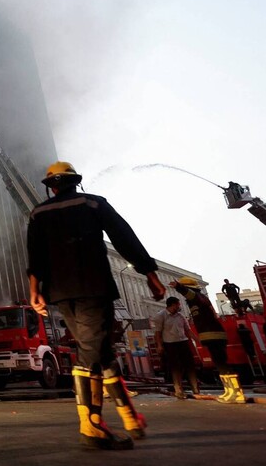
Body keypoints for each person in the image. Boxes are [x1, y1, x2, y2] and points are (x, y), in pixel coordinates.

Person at [27, 161, 166, 451]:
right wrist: (150, 274)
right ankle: (90, 426)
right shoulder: (94, 203)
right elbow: (125, 238)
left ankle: (130, 418)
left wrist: (34, 291)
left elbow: (35, 255)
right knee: (90, 354)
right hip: (93, 287)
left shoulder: (38, 213)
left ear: (51, 187)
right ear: (75, 182)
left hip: (61, 293)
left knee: (101, 354)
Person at [171, 277, 244, 404]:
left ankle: (236, 393)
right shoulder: (199, 299)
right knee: (219, 363)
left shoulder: (197, 297)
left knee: (222, 364)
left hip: (213, 334)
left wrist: (178, 287)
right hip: (211, 335)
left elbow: (189, 293)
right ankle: (229, 390)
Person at [153, 296, 199, 399]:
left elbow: (188, 330)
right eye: (178, 304)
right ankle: (178, 389)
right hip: (170, 344)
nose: (179, 306)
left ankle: (195, 389)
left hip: (183, 342)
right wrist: (159, 345)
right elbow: (158, 332)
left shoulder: (180, 316)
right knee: (175, 367)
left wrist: (197, 340)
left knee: (190, 366)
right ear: (173, 305)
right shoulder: (161, 316)